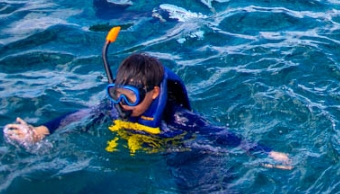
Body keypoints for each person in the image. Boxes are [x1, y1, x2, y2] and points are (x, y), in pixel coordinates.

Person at [4, 46, 291, 168]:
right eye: (117, 94)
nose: (122, 105)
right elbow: (76, 117)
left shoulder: (179, 119)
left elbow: (224, 136)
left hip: (184, 151)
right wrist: (40, 131)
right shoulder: (115, 108)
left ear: (154, 93)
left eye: (129, 97)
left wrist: (267, 153)